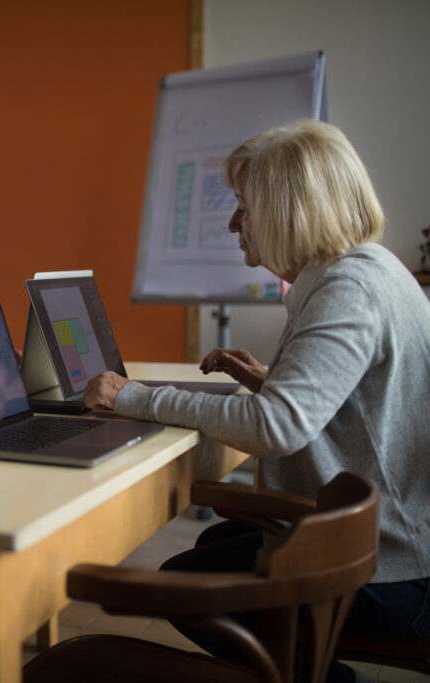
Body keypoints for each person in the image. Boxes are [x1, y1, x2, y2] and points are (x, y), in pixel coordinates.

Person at [83, 119, 430, 682]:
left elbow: (275, 430)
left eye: (245, 207)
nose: (232, 223)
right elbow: (355, 405)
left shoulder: (347, 291)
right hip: (386, 534)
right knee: (219, 542)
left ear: (292, 211)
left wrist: (135, 397)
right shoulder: (366, 270)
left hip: (394, 567)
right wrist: (273, 381)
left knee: (185, 585)